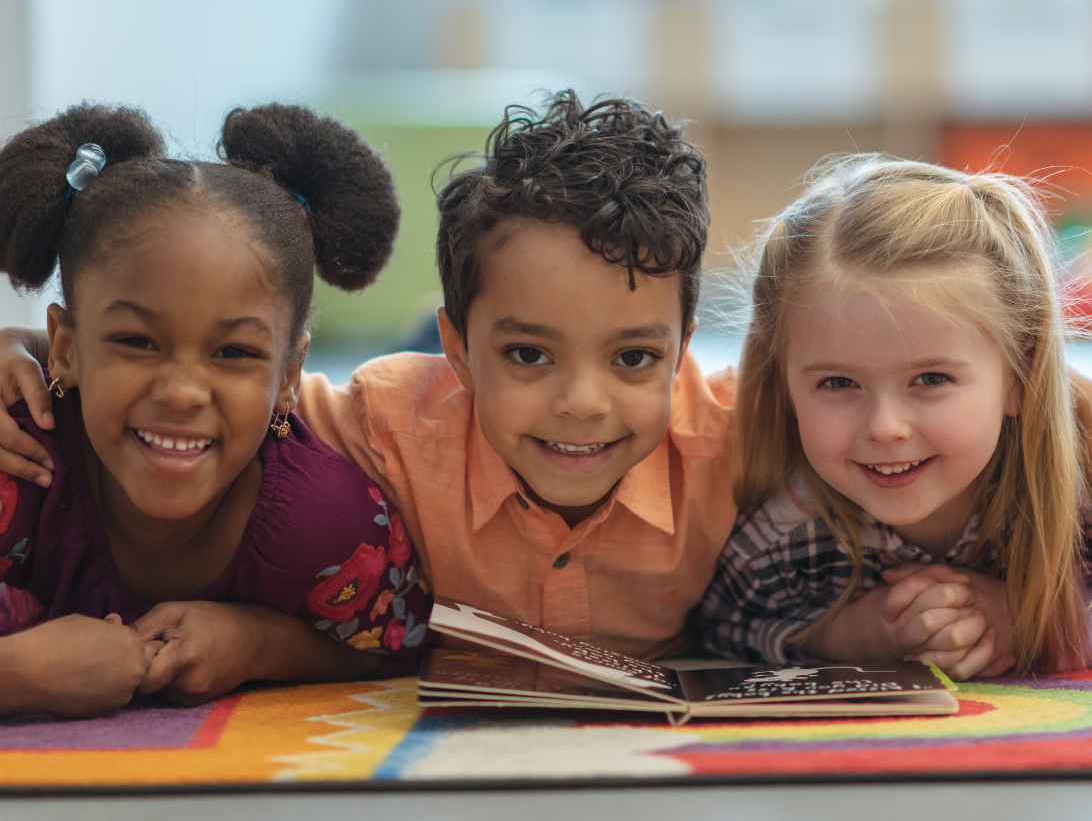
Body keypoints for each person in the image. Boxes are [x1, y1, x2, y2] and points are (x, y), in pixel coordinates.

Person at [0, 93, 737, 661]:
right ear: (459, 348)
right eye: (530, 354)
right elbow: (235, 395)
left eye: (634, 357)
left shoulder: (743, 443)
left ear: (682, 354)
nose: (582, 404)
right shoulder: (380, 422)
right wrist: (28, 349)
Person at [0, 102, 429, 718]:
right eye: (136, 342)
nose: (182, 392)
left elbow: (398, 644)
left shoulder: (330, 526)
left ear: (288, 377)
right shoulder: (17, 462)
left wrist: (255, 644)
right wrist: (21, 676)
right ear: (64, 348)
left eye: (233, 352)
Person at [696, 155, 1092, 680]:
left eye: (930, 380)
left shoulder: (1079, 481)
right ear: (782, 385)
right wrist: (853, 635)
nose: (885, 427)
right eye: (838, 383)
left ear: (1018, 377)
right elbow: (723, 626)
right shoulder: (781, 530)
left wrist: (1035, 621)